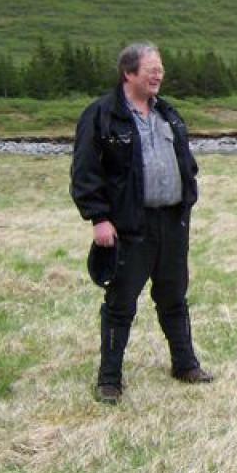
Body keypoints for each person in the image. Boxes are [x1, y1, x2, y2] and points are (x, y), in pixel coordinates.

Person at [71, 42, 211, 404]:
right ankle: (109, 380)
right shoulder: (101, 115)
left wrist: (187, 195)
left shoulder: (167, 113)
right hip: (129, 226)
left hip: (172, 223)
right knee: (120, 304)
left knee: (173, 296)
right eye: (151, 69)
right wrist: (99, 218)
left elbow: (185, 161)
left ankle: (185, 365)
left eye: (160, 69)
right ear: (128, 73)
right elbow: (85, 170)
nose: (158, 75)